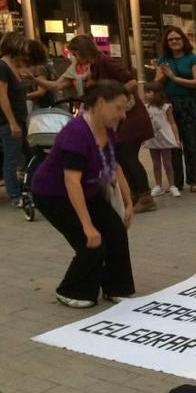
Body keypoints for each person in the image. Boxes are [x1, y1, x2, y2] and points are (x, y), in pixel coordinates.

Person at [30, 80, 135, 308]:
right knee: (92, 242)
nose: (122, 115)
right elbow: (71, 181)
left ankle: (116, 287)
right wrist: (87, 225)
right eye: (118, 108)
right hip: (54, 195)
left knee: (115, 231)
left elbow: (116, 166)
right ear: (99, 103)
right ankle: (70, 290)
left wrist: (129, 203)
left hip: (89, 188)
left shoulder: (108, 129)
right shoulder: (76, 132)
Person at [37, 35, 156, 213]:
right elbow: (57, 85)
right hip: (119, 118)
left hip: (130, 118)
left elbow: (130, 81)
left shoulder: (105, 61)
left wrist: (114, 96)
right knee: (122, 156)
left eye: (77, 53)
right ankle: (136, 194)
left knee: (127, 155)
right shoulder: (94, 65)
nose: (76, 58)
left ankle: (145, 195)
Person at [154, 26, 196, 193]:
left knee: (192, 143)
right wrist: (161, 76)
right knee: (173, 143)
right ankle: (177, 181)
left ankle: (194, 180)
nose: (174, 42)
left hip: (189, 104)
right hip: (169, 105)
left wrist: (174, 78)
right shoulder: (163, 60)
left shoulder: (192, 59)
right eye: (170, 40)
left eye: (177, 38)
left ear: (183, 40)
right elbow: (156, 84)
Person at [0, 32, 28, 207]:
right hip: (10, 120)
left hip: (20, 118)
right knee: (12, 157)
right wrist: (11, 122)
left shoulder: (11, 66)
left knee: (29, 153)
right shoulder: (2, 66)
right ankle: (15, 195)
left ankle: (26, 187)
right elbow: (2, 96)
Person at [143, 82, 181, 198]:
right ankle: (158, 185)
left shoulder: (166, 107)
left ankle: (172, 185)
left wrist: (176, 138)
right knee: (156, 164)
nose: (145, 95)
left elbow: (172, 122)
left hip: (165, 138)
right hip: (152, 139)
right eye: (145, 92)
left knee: (168, 163)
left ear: (156, 93)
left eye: (148, 92)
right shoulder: (146, 107)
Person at [22, 40, 56, 112]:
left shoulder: (40, 68)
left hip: (41, 107)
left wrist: (23, 97)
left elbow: (40, 92)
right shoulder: (43, 66)